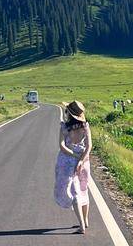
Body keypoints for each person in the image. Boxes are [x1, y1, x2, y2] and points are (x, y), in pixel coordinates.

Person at [54, 100, 92, 234]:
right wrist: (81, 159)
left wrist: (75, 156)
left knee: (74, 192)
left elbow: (62, 146)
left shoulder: (64, 127)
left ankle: (81, 225)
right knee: (83, 189)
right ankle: (86, 220)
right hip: (84, 161)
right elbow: (89, 146)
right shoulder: (85, 126)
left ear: (68, 113)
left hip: (67, 161)